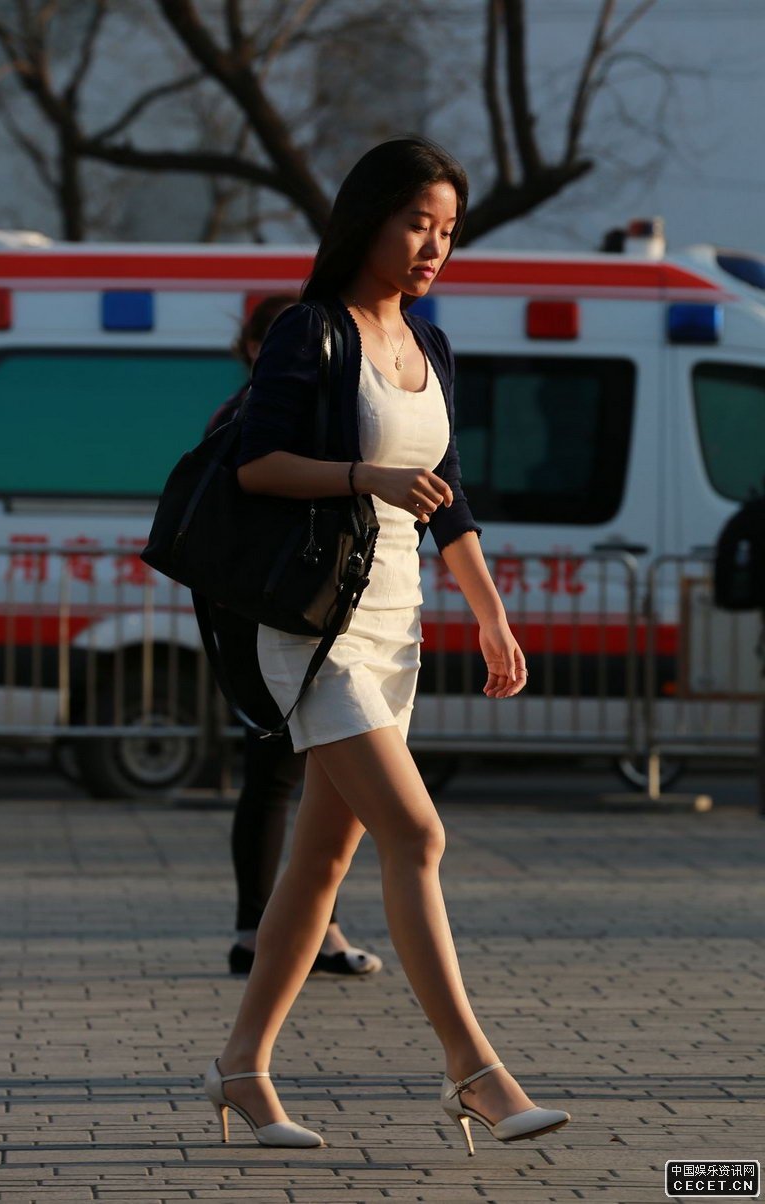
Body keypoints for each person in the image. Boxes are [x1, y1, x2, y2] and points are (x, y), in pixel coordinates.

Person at [203, 136, 571, 1155]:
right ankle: (474, 1070)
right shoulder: (309, 331)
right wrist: (364, 477)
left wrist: (490, 614)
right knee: (418, 835)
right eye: (417, 223)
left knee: (321, 861)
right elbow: (258, 467)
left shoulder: (429, 344)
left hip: (395, 621)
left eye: (447, 230)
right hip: (313, 628)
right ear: (368, 218)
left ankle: (240, 1067)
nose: (433, 246)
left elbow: (448, 497)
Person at [206, 295, 383, 978]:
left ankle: (290, 929)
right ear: (257, 348)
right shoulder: (262, 415)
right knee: (287, 774)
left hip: (271, 608)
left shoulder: (254, 408)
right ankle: (275, 931)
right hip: (275, 613)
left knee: (305, 778)